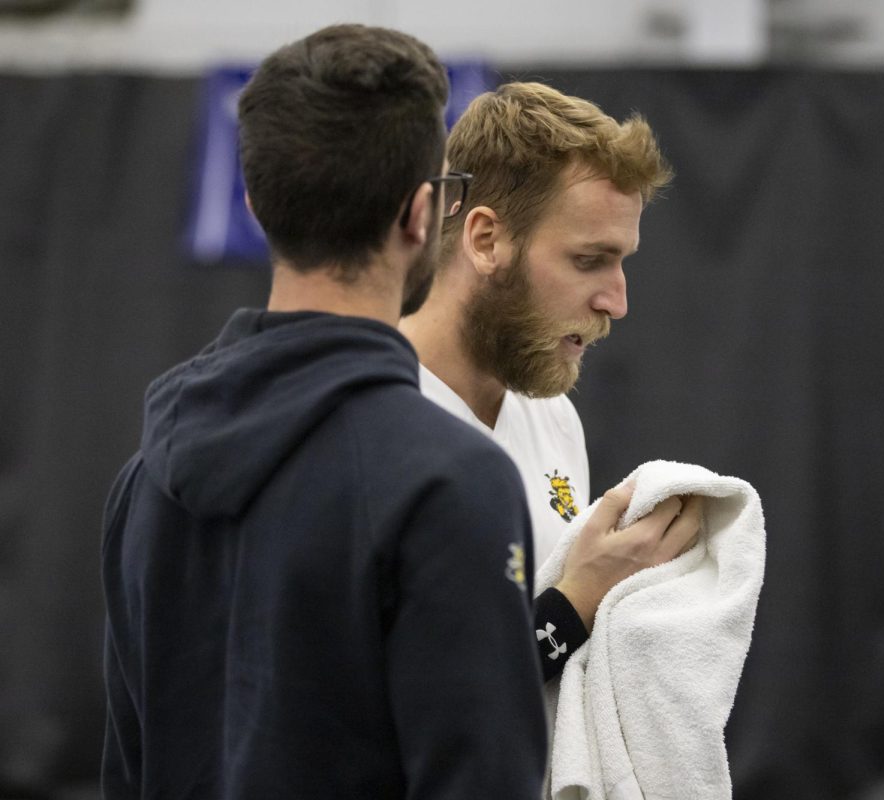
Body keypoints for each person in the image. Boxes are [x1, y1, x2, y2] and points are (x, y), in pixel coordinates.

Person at [101, 25, 546, 799]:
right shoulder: (454, 481)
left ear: (256, 204)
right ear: (420, 215)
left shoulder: (141, 482)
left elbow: (128, 774)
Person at [400, 82, 702, 682]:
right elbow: (394, 696)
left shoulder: (552, 415)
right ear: (486, 240)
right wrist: (579, 600)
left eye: (623, 262)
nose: (616, 302)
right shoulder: (367, 422)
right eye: (589, 260)